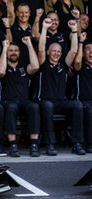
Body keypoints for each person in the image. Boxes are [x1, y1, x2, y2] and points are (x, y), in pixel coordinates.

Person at [38, 18, 85, 155]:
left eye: (58, 51)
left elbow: (74, 50)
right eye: (53, 51)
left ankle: (77, 143)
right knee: (47, 106)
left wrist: (75, 30)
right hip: (45, 101)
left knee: (77, 105)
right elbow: (41, 48)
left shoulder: (63, 64)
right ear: (48, 52)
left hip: (60, 102)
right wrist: (45, 28)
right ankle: (50, 145)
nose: (56, 53)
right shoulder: (43, 63)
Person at [0, 38, 40, 157]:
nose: (13, 52)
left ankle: (34, 144)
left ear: (19, 53)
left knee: (34, 106)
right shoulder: (3, 65)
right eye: (11, 50)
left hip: (24, 101)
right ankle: (13, 144)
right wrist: (4, 48)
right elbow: (0, 72)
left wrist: (29, 45)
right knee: (11, 107)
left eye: (16, 50)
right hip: (8, 101)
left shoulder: (23, 66)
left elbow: (35, 66)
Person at [74, 33, 92, 153]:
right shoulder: (81, 66)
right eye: (88, 49)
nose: (91, 52)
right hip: (84, 100)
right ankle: (90, 143)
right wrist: (81, 43)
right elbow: (78, 61)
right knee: (90, 111)